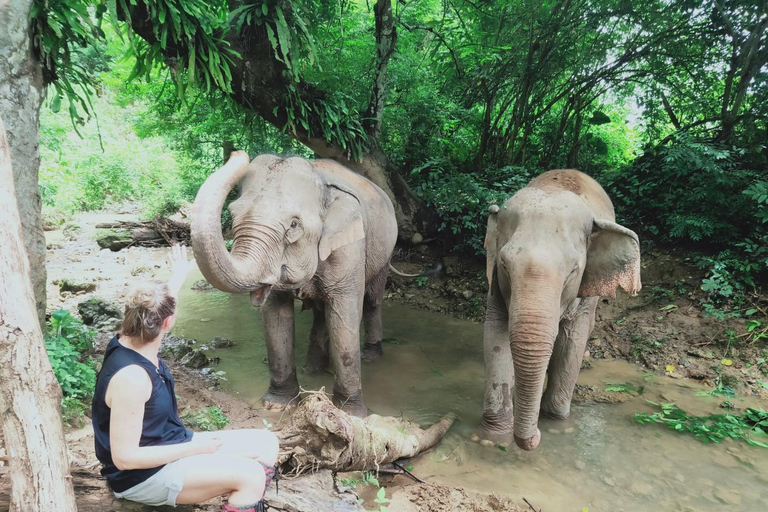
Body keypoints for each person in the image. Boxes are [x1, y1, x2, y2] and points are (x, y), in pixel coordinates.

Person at [92, 244, 279, 512]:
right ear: (167, 323)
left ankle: (244, 499)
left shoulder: (131, 336)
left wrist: (177, 277)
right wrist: (193, 449)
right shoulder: (132, 378)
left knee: (266, 442)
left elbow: (154, 308)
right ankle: (246, 487)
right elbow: (125, 459)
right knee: (252, 474)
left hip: (169, 443)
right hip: (141, 476)